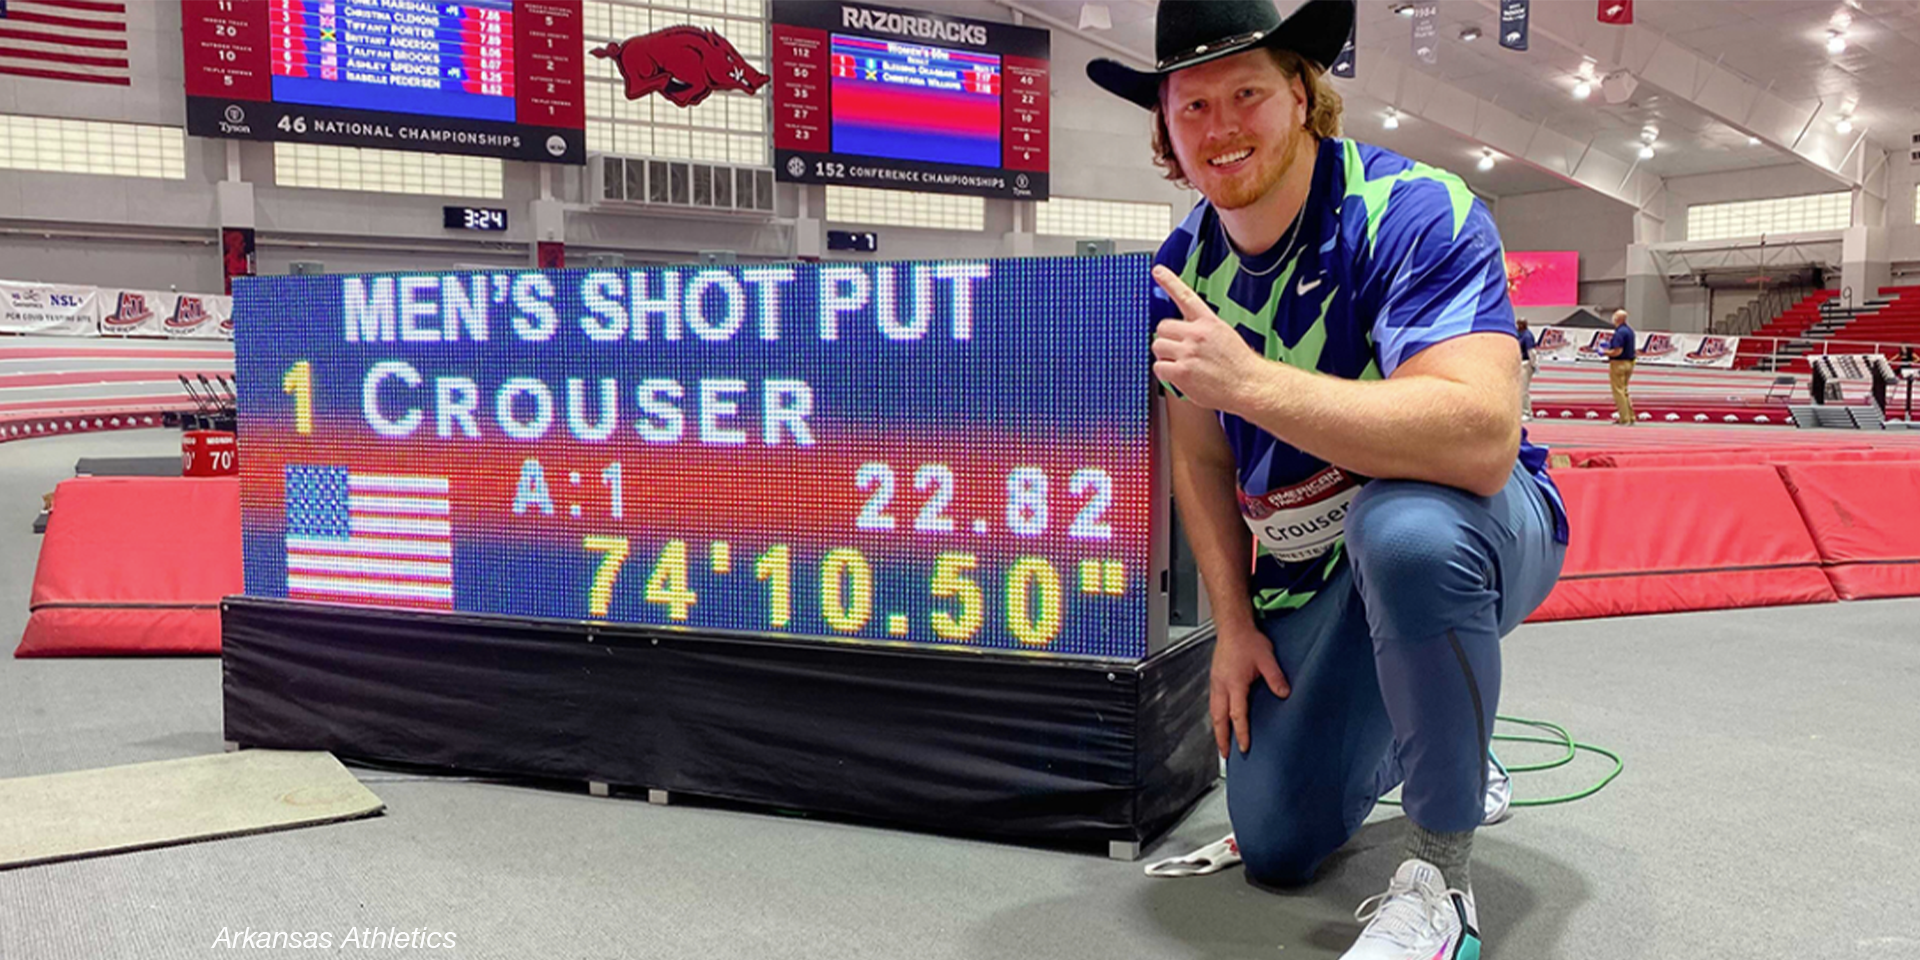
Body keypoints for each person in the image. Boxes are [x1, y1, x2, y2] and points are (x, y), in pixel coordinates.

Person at [1088, 2, 1569, 958]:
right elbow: (1201, 455)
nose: (1221, 126)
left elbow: (1477, 436)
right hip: (1311, 568)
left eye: (1248, 93)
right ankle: (1448, 736)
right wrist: (1230, 626)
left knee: (1409, 535)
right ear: (1166, 135)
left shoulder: (1416, 209)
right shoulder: (1182, 266)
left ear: (1304, 96)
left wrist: (1253, 382)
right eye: (1192, 107)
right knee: (1277, 841)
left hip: (1481, 522)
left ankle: (1444, 883)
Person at [1604, 309, 1636, 424]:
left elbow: (1617, 351)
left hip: (1619, 363)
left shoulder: (1619, 333)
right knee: (1625, 390)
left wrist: (1605, 352)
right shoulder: (1630, 331)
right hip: (1629, 363)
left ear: (1617, 319)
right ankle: (1630, 416)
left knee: (1618, 392)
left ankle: (1624, 418)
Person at [1517, 320, 1538, 421]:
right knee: (1519, 389)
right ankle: (1521, 411)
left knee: (1523, 390)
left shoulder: (1527, 336)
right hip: (1519, 363)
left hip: (1526, 363)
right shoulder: (1519, 334)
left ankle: (1527, 412)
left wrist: (1533, 365)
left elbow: (1531, 352)